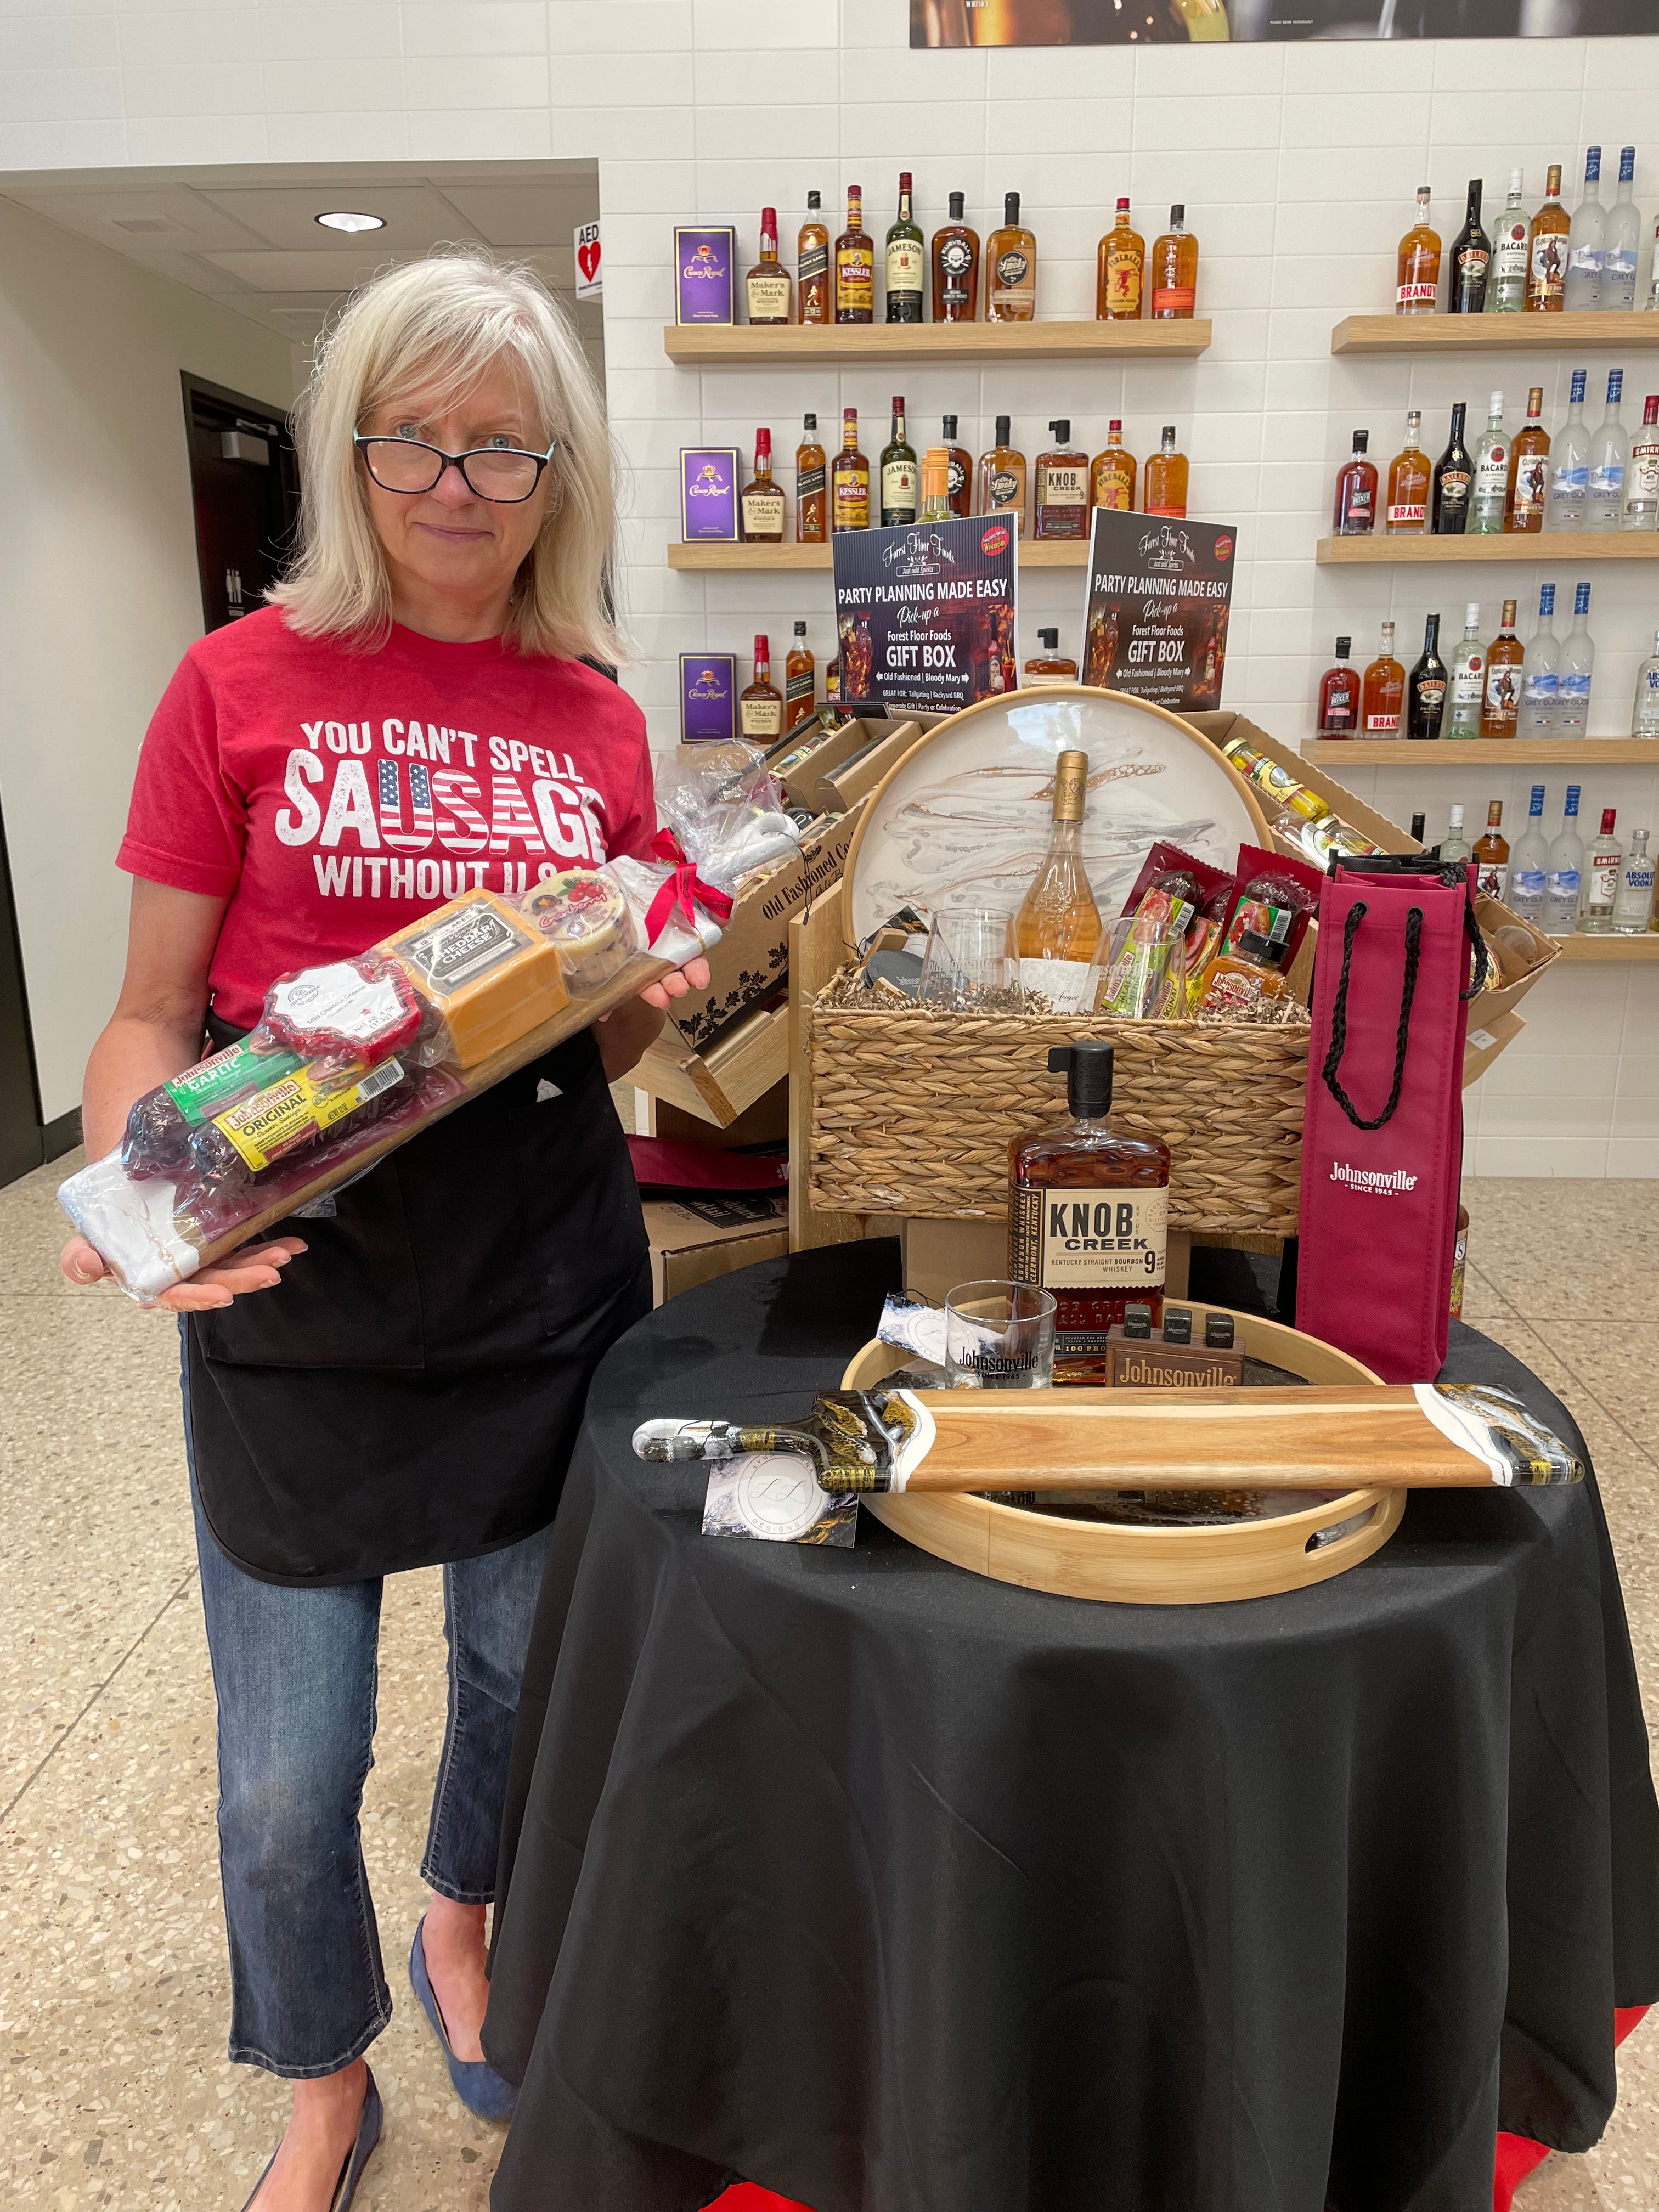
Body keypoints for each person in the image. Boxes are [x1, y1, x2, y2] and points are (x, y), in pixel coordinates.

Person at [58, 250, 707, 2212]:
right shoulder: (234, 685)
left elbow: (588, 1037)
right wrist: (149, 1210)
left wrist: (648, 989)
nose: (454, 478)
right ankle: (318, 2075)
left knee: (519, 1692)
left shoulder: (592, 716)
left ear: (555, 475)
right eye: (411, 435)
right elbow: (150, 1019)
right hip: (301, 1303)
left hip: (541, 1283)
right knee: (281, 1769)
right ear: (353, 456)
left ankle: (462, 1919)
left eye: (500, 444)